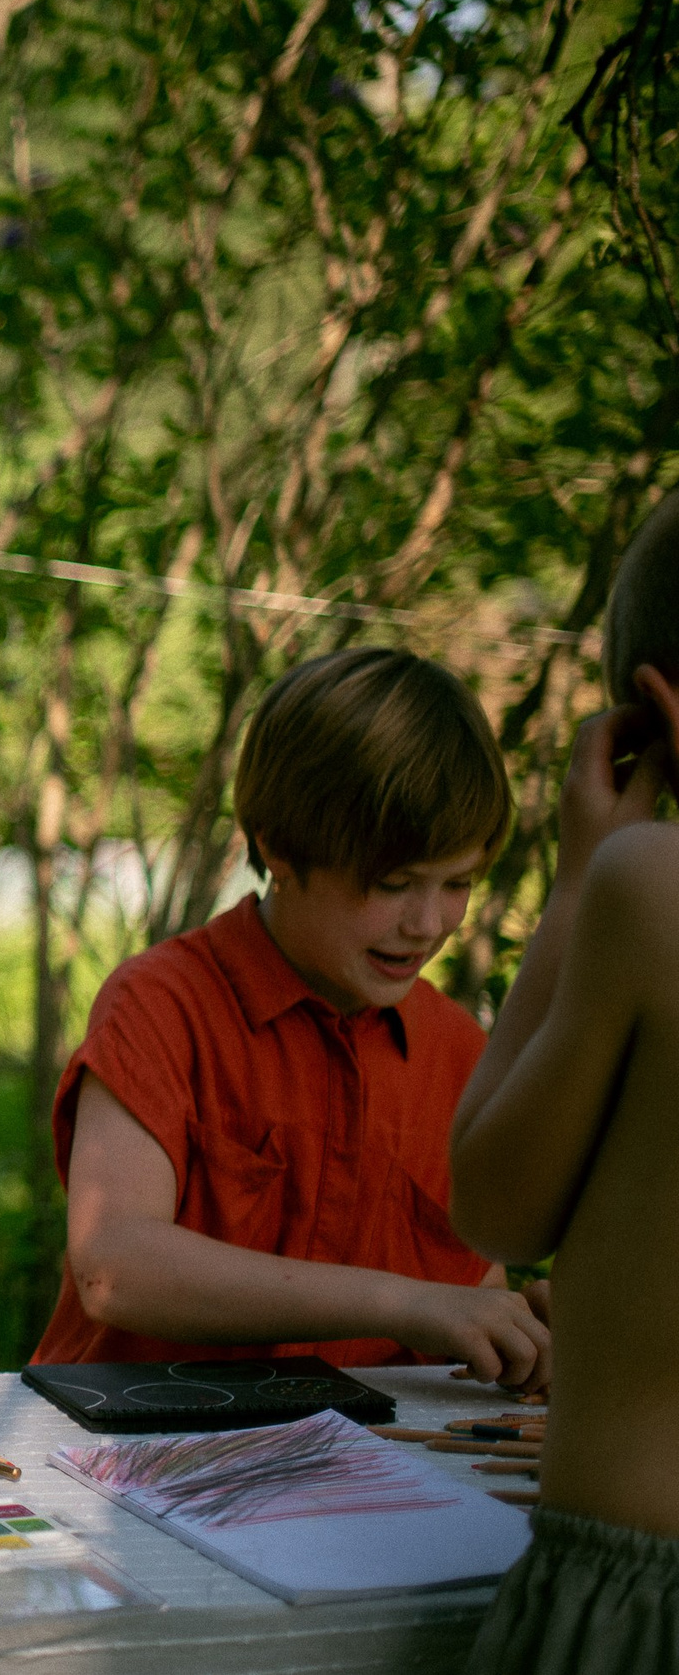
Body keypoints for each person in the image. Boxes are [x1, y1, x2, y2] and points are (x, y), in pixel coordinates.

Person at [30, 646, 551, 1386]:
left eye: (458, 882)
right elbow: (115, 1266)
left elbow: (468, 1304)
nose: (429, 921)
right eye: (394, 882)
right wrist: (400, 1302)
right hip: (137, 1463)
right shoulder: (162, 1007)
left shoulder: (457, 1052)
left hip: (368, 1477)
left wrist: (523, 1343)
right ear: (278, 846)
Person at [451, 493, 679, 1675]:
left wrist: (579, 878)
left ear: (654, 713)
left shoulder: (649, 888)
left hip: (639, 1600)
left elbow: (491, 1202)